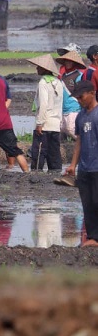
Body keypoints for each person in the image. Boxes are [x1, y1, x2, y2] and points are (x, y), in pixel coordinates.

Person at [65, 81, 98, 247]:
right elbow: (79, 141)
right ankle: (92, 237)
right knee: (87, 204)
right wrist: (73, 165)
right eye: (77, 98)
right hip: (85, 168)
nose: (79, 100)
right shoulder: (81, 116)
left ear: (92, 93)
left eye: (81, 97)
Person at [27, 54, 63, 172]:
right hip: (56, 125)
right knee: (54, 156)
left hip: (45, 125)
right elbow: (59, 104)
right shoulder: (58, 82)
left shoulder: (43, 83)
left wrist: (40, 123)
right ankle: (56, 176)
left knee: (38, 155)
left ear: (45, 69)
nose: (37, 68)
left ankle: (36, 177)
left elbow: (43, 105)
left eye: (39, 67)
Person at [57, 49, 87, 141]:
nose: (68, 63)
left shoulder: (79, 75)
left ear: (74, 63)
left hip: (74, 108)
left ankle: (85, 144)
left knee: (71, 129)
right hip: (63, 108)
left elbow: (82, 92)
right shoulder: (63, 75)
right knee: (62, 129)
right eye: (66, 61)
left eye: (70, 61)